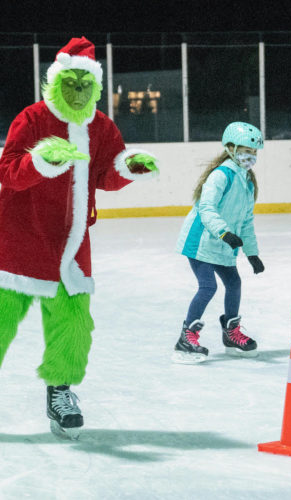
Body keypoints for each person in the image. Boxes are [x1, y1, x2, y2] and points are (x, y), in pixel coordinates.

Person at [0, 37, 159, 439]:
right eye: (70, 83)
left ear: (96, 87)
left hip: (69, 245)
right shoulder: (32, 119)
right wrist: (41, 160)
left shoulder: (101, 126)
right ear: (55, 83)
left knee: (74, 324)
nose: (78, 91)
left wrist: (129, 168)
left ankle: (60, 390)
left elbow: (105, 174)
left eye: (85, 85)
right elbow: (9, 172)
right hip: (18, 239)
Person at [174, 121, 264, 364]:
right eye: (246, 150)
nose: (251, 156)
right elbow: (206, 208)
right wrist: (224, 233)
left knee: (234, 283)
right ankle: (186, 338)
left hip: (223, 243)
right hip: (201, 240)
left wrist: (252, 253)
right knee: (208, 287)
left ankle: (231, 334)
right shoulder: (220, 175)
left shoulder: (247, 182)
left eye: (254, 152)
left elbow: (246, 221)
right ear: (231, 148)